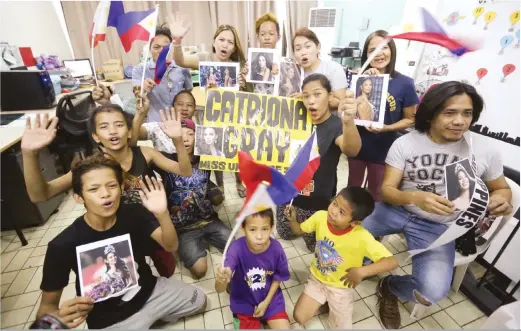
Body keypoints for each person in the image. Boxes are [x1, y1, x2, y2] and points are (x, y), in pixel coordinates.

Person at [363, 81, 513, 329]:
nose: (460, 121)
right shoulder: (406, 143)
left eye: (467, 113)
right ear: (431, 114)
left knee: (432, 292)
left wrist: (501, 199)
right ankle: (367, 258)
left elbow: (502, 188)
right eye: (450, 112)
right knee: (346, 228)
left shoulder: (484, 150)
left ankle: (389, 286)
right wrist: (415, 197)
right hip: (397, 209)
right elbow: (387, 190)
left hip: (438, 227)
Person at [21, 101, 191, 278]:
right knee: (129, 277)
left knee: (167, 269)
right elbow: (41, 195)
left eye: (119, 125)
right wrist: (29, 154)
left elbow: (184, 170)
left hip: (151, 224)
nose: (112, 131)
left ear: (130, 131)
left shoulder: (146, 153)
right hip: (116, 232)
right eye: (104, 127)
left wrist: (177, 139)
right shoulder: (90, 167)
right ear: (95, 136)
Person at [37, 155, 207, 329]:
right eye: (93, 189)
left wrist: (162, 213)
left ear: (121, 187)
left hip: (150, 292)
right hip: (111, 317)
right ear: (79, 197)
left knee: (200, 301)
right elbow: (45, 311)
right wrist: (58, 317)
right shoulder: (62, 244)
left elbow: (171, 246)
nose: (105, 194)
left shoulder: (134, 213)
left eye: (112, 186)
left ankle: (152, 317)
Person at [285, 186, 398, 329]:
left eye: (341, 212)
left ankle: (328, 303)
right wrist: (293, 219)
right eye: (335, 203)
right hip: (317, 279)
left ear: (355, 222)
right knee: (299, 317)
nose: (333, 211)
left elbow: (392, 261)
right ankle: (325, 302)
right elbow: (299, 230)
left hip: (341, 288)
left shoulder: (361, 237)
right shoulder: (320, 216)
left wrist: (362, 271)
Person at [276, 74, 361, 252]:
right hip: (288, 197)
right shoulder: (293, 120)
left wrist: (349, 121)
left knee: (313, 245)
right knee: (285, 233)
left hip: (317, 202)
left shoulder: (336, 125)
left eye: (317, 94)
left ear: (330, 97)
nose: (311, 101)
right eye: (306, 96)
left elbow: (351, 149)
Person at [170, 21, 248, 197]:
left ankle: (238, 182)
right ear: (214, 42)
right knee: (215, 153)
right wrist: (177, 41)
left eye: (230, 42)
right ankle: (219, 185)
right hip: (210, 117)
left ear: (234, 48)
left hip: (232, 117)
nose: (225, 44)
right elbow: (180, 60)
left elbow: (249, 94)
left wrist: (244, 84)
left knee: (235, 151)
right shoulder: (205, 59)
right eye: (221, 40)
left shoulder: (239, 65)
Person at [348, 30, 419, 201]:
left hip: (384, 149)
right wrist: (361, 80)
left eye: (384, 48)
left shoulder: (405, 83)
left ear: (392, 51)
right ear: (366, 54)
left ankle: (370, 224)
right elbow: (347, 109)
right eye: (372, 50)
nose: (379, 54)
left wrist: (387, 128)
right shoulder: (358, 78)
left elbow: (410, 119)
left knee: (376, 190)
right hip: (357, 145)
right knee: (352, 188)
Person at [157, 119, 232, 279]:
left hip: (209, 219)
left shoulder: (206, 156)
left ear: (198, 138)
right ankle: (195, 246)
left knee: (237, 249)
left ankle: (207, 238)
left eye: (190, 134)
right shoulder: (165, 159)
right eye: (180, 134)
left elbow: (230, 151)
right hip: (184, 228)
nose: (185, 138)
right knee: (199, 271)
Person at [215, 209, 291, 329]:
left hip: (271, 300)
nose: (259, 236)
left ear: (272, 227)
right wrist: (221, 280)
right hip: (243, 303)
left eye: (265, 229)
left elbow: (278, 277)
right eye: (252, 229)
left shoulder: (277, 249)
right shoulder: (236, 249)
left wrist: (266, 303)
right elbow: (219, 289)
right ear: (243, 228)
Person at [132, 25, 193, 123]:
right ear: (150, 49)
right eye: (156, 47)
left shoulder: (181, 68)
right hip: (155, 125)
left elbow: (188, 90)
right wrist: (142, 87)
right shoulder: (140, 70)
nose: (161, 51)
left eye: (165, 47)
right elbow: (137, 91)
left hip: (179, 124)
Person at [292, 28, 347, 111]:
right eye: (298, 49)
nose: (303, 52)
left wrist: (307, 97)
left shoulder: (333, 68)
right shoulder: (292, 72)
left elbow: (340, 102)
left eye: (307, 46)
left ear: (318, 47)